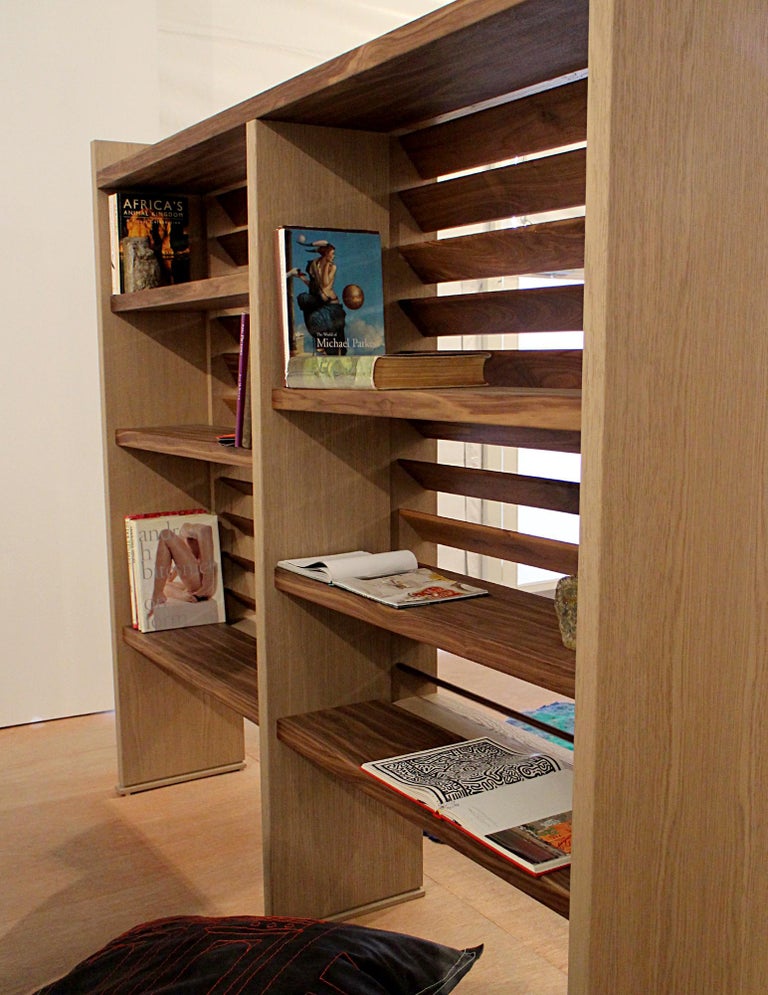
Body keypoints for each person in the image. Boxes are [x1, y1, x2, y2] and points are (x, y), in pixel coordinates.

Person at [288, 241, 348, 354]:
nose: (333, 256)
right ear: (325, 253)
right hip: (320, 302)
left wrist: (326, 266)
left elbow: (325, 284)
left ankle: (331, 350)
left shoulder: (332, 267)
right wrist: (300, 276)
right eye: (332, 253)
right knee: (303, 299)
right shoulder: (314, 265)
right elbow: (315, 285)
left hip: (332, 305)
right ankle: (322, 345)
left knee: (333, 337)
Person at [148, 522, 218, 616]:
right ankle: (170, 595)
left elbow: (205, 530)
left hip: (202, 583)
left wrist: (207, 582)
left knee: (166, 534)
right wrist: (172, 575)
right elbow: (181, 558)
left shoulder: (191, 528)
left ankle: (157, 594)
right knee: (166, 586)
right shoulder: (186, 530)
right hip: (201, 583)